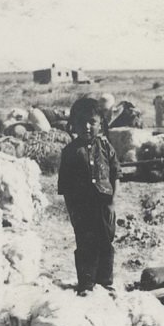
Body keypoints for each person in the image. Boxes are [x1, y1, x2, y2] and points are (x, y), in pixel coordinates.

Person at [58, 98, 122, 296]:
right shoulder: (70, 152)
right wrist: (72, 212)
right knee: (86, 244)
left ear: (100, 123)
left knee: (106, 242)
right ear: (73, 124)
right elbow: (66, 186)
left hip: (104, 204)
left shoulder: (106, 147)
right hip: (82, 207)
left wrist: (112, 203)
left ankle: (105, 281)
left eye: (92, 122)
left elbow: (115, 174)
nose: (86, 126)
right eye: (81, 122)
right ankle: (86, 284)